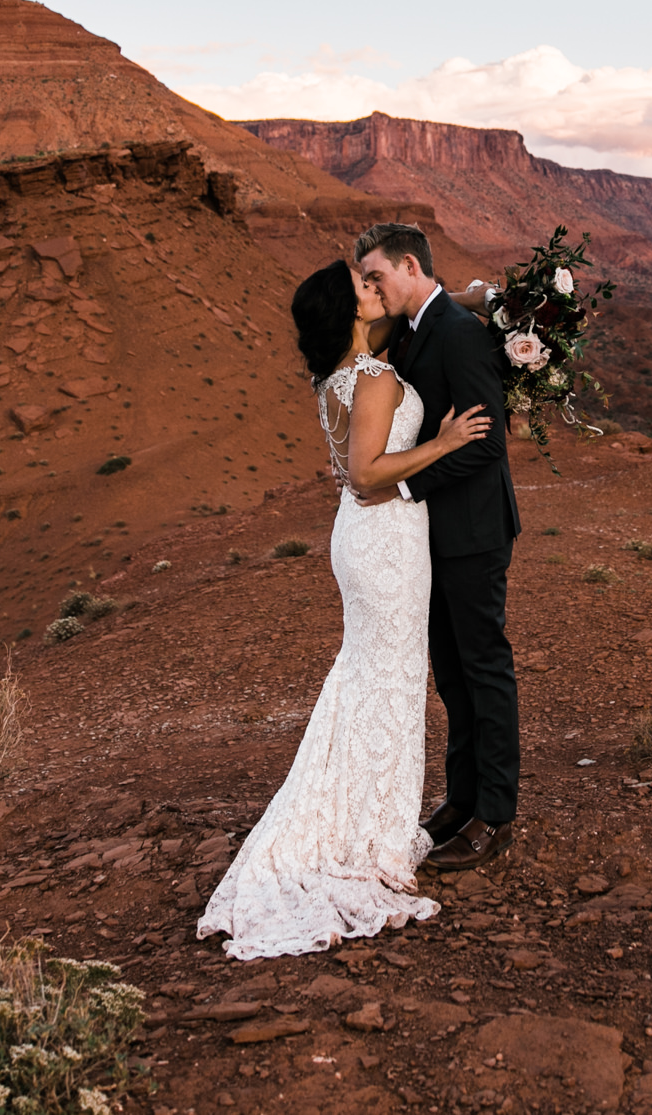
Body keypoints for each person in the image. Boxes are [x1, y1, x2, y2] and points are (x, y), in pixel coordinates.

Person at [195, 259, 492, 960]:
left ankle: (366, 816)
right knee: (386, 679)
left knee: (371, 676)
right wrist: (443, 442)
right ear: (349, 308)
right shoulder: (376, 379)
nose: (372, 288)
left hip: (362, 537)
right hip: (386, 539)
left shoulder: (337, 376)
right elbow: (363, 473)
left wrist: (474, 299)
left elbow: (351, 465)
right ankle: (367, 834)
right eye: (361, 285)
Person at [353, 222, 524, 873]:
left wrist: (404, 483)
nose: (373, 287)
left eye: (378, 276)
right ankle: (460, 799)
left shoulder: (455, 332)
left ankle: (496, 815)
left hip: (474, 533)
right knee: (451, 673)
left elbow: (485, 442)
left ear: (407, 264)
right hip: (434, 536)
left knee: (484, 668)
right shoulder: (420, 326)